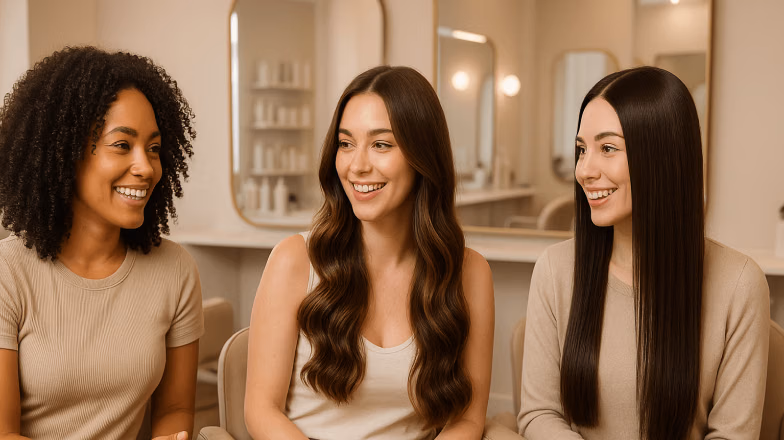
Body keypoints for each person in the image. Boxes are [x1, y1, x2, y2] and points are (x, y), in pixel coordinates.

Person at [518, 66, 770, 440]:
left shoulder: (739, 284)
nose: (584, 170)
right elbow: (539, 414)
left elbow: (732, 434)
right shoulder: (555, 270)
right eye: (581, 150)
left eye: (607, 148)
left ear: (662, 156)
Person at [244, 66, 495, 439]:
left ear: (423, 156)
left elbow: (467, 420)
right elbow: (261, 410)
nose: (357, 166)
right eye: (346, 144)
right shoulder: (294, 260)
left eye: (381, 144)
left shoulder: (469, 273)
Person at [0, 46, 203, 440]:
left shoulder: (175, 270)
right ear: (64, 153)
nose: (146, 168)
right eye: (122, 145)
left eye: (154, 149)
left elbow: (175, 410)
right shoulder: (8, 273)